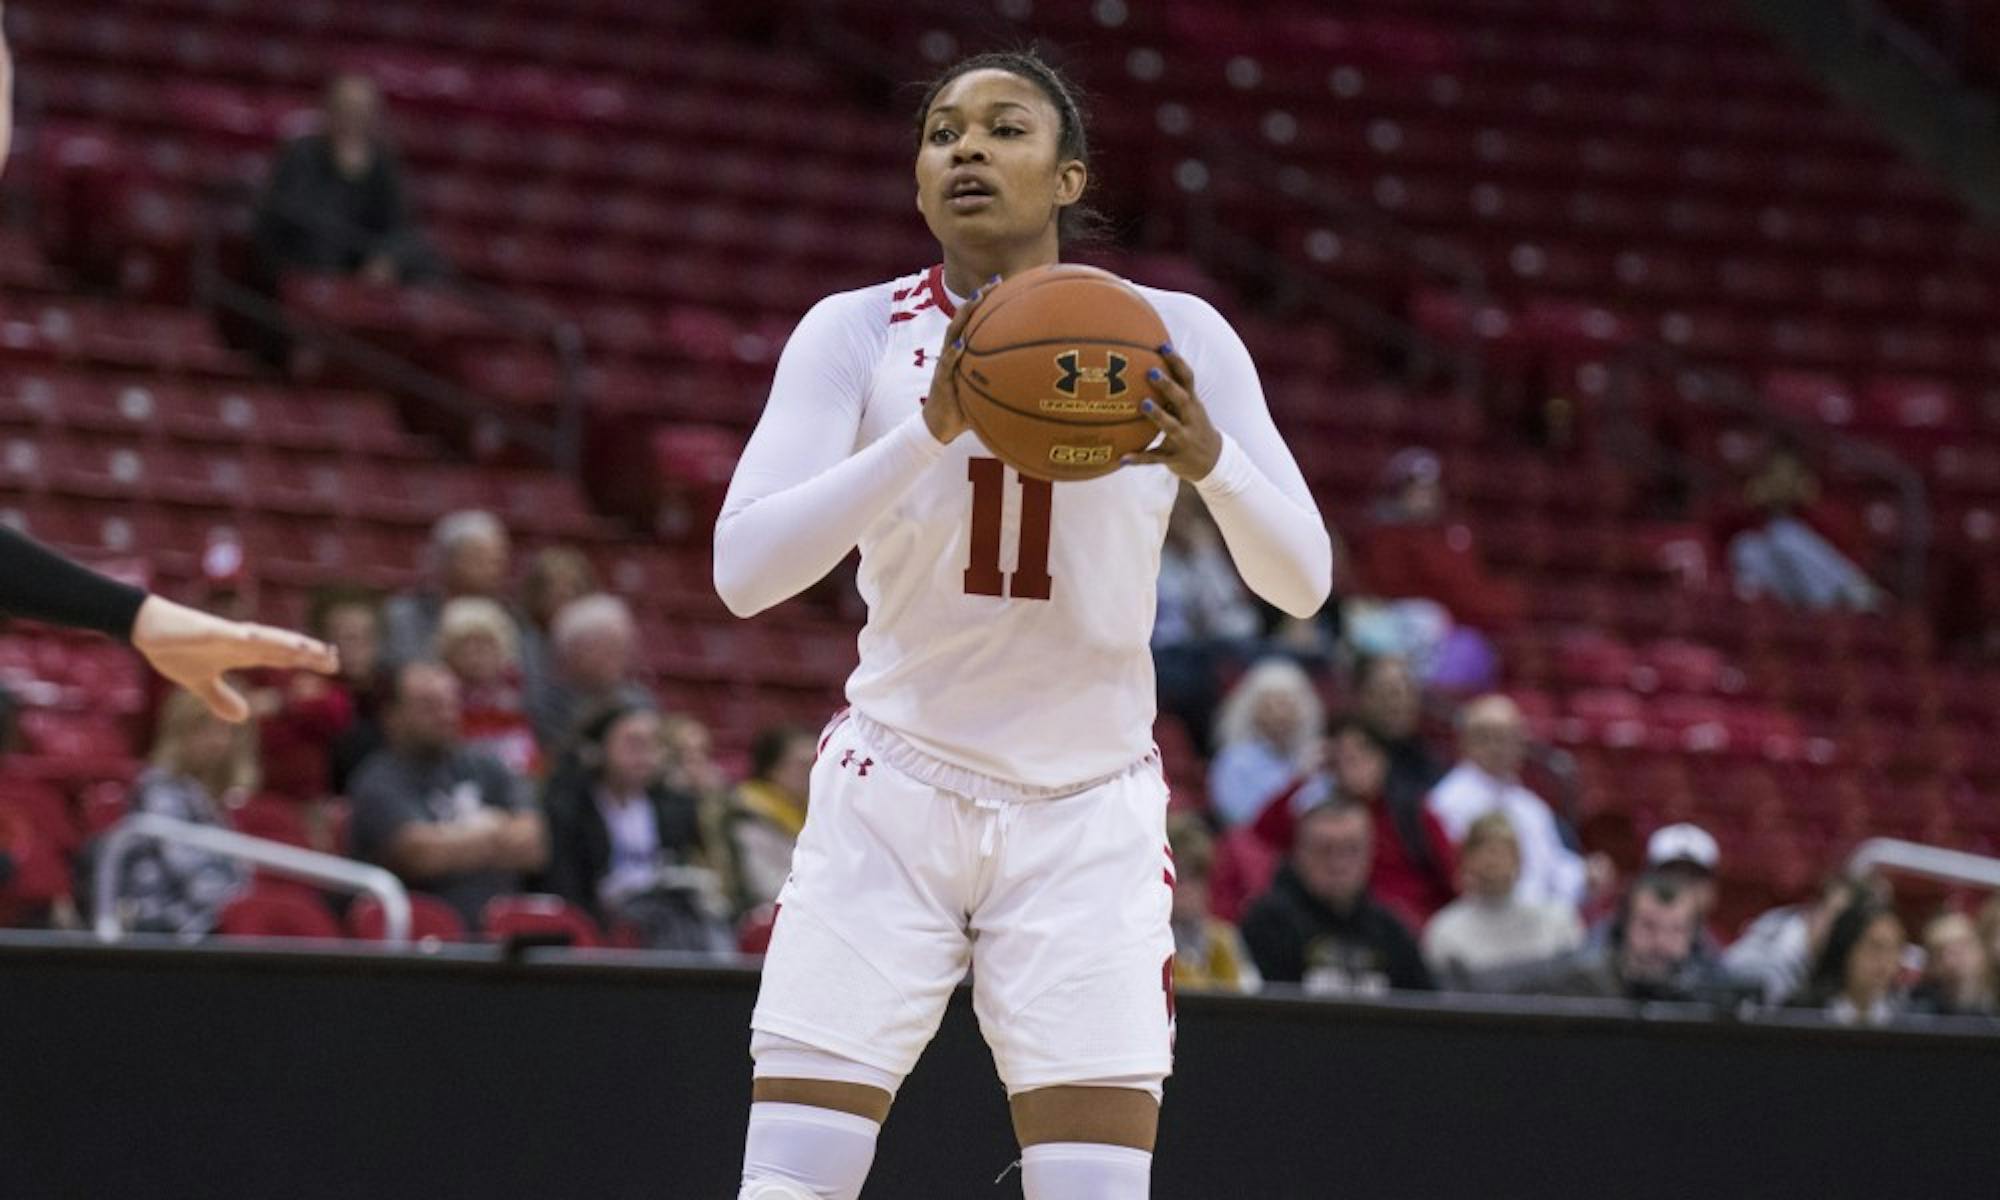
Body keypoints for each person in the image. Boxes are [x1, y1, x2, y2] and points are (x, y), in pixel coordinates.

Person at [713, 50, 1332, 1200]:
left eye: (1003, 129)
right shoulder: (853, 333)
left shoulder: (1174, 333)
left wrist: (1216, 464)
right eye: (943, 131)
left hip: (1085, 812)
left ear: (1067, 178)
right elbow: (743, 571)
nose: (965, 150)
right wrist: (924, 429)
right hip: (889, 795)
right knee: (789, 1188)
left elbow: (1301, 581)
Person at [347, 662, 547, 930]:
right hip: (421, 941)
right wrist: (496, 828)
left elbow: (534, 845)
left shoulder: (487, 764)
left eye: (451, 702)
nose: (445, 713)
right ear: (392, 717)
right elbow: (421, 855)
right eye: (428, 705)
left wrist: (454, 842)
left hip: (504, 934)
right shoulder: (378, 779)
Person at [540, 704, 730, 950]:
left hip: (662, 917)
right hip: (600, 922)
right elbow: (566, 886)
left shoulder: (672, 806)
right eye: (633, 744)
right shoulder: (571, 806)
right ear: (597, 748)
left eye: (653, 745)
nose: (645, 755)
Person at [1254, 718, 1458, 927]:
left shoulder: (1412, 815)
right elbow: (1264, 831)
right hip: (1336, 921)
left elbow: (1452, 876)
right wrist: (1304, 777)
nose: (1357, 764)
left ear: (1383, 760)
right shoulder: (1321, 818)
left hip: (1414, 926)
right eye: (1346, 758)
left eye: (1365, 754)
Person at [252, 73, 441, 285]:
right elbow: (288, 222)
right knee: (318, 244)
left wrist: (386, 258)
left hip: (361, 263)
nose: (353, 119)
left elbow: (399, 224)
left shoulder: (381, 161)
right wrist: (342, 171)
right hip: (306, 260)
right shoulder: (302, 153)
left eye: (361, 112)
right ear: (329, 111)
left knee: (425, 260)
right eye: (346, 110)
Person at [1238, 798, 1433, 996]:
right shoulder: (1267, 923)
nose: (1338, 863)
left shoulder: (1391, 929)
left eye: (1352, 849)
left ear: (1371, 852)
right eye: (1325, 850)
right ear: (1298, 852)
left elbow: (1426, 1008)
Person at [113, 692, 259, 937]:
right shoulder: (159, 787)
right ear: (180, 732)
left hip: (206, 924)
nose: (219, 742)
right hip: (165, 929)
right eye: (206, 729)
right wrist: (239, 904)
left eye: (227, 731)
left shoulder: (214, 796)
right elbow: (188, 872)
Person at [1427, 695, 1588, 911]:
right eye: (1486, 737)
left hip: (1540, 921)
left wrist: (1587, 875)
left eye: (1507, 737)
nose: (1498, 747)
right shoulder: (1445, 803)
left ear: (1522, 744)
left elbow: (1555, 868)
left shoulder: (1532, 806)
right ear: (1464, 742)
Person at [1488, 874, 1750, 1004]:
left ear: (1693, 937)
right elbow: (1505, 981)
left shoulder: (1709, 995)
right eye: (1648, 926)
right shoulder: (1582, 978)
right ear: (1624, 926)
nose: (1660, 942)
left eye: (1676, 931)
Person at [1350, 447, 1523, 635]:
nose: (1425, 497)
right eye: (1416, 490)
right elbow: (1390, 587)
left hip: (1458, 621)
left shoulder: (1452, 533)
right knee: (1426, 618)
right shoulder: (1384, 535)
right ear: (1398, 493)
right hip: (1402, 619)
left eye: (1430, 490)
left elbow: (1468, 583)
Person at [1153, 488, 1261, 758]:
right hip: (1160, 652)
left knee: (1246, 658)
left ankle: (1226, 750)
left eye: (1191, 513)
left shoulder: (1204, 554)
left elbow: (1234, 618)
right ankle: (1207, 754)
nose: (1183, 520)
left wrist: (1204, 555)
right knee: (1198, 679)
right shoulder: (1149, 552)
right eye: (1178, 511)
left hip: (1200, 650)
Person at [1423, 812, 1583, 983]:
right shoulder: (1445, 932)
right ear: (1465, 861)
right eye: (1483, 851)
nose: (1493, 861)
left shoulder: (1558, 920)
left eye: (1503, 851)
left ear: (1519, 860)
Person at [1721, 444, 1880, 612]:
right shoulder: (1757, 502)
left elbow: (1842, 541)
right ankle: (1769, 615)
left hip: (1830, 591)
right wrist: (1751, 505)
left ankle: (1855, 589)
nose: (1782, 480)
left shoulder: (1820, 502)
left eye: (1788, 473)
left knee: (1785, 533)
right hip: (1787, 596)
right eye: (1776, 473)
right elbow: (1722, 530)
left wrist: (1810, 504)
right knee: (1746, 546)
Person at [381, 510, 518, 670]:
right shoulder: (405, 614)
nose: (495, 569)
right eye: (480, 558)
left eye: (498, 560)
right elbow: (397, 671)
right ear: (448, 559)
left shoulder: (513, 619)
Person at [528, 593, 652, 756]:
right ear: (573, 651)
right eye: (606, 647)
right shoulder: (548, 702)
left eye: (621, 646)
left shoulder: (638, 700)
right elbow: (558, 756)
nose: (618, 656)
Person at [1724, 873, 1875, 1006]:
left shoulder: (1840, 959)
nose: (1837, 926)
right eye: (1834, 914)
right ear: (1814, 910)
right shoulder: (1777, 953)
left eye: (1845, 921)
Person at [1206, 658, 1323, 829]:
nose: (1281, 714)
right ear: (1253, 711)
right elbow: (1238, 816)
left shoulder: (1315, 759)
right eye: (1271, 704)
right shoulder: (1232, 761)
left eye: (1289, 704)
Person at [435, 597, 540, 778]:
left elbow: (531, 763)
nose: (475, 655)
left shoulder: (520, 697)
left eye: (485, 644)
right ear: (448, 653)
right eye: (465, 646)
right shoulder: (440, 702)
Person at [725, 724, 815, 915]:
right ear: (772, 768)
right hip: (769, 915)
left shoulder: (817, 813)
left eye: (815, 764)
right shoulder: (749, 814)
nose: (811, 773)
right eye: (802, 765)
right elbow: (765, 886)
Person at [1165, 814, 1258, 994]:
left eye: (1196, 877)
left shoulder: (1224, 938)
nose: (1186, 890)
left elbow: (1252, 999)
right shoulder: (1146, 943)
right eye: (1179, 877)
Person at [1352, 654, 1446, 815]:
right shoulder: (1348, 761)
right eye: (1387, 693)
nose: (1398, 704)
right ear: (1362, 698)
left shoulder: (1429, 759)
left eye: (1407, 692)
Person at [1792, 896, 1907, 1026]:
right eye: (1875, 947)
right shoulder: (1801, 1011)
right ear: (1846, 948)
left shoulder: (1909, 1014)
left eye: (1895, 948)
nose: (1886, 960)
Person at [518, 546, 598, 708]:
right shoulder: (520, 646)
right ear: (536, 593)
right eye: (554, 587)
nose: (564, 594)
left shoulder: (597, 648)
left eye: (574, 587)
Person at [1909, 911, 1997, 1018]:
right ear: (1931, 964)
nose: (1955, 958)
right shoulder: (1919, 1006)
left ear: (1981, 950)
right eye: (1942, 952)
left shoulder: (1996, 995)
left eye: (1963, 945)